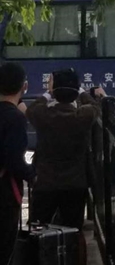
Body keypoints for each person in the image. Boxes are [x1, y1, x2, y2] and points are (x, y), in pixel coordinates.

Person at [26, 68, 103, 265]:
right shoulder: (83, 116)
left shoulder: (43, 116)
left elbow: (33, 108)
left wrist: (48, 92)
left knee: (38, 227)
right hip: (76, 182)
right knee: (73, 228)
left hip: (46, 182)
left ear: (54, 91)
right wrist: (82, 91)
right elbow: (95, 106)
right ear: (75, 91)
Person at [0, 63, 35, 265]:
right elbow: (15, 161)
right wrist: (32, 174)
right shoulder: (14, 118)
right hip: (4, 192)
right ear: (25, 86)